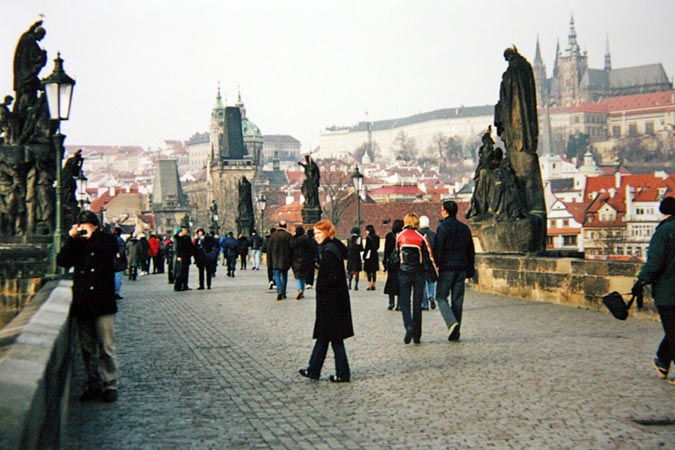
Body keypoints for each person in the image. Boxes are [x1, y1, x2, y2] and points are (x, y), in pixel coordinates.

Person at [57, 210, 120, 402]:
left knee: (106, 345)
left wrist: (93, 237)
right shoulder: (77, 244)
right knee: (87, 348)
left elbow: (109, 255)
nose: (84, 231)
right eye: (80, 227)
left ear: (94, 226)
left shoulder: (107, 240)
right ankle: (93, 383)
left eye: (86, 227)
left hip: (103, 302)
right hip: (83, 302)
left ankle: (110, 384)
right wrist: (71, 239)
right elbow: (62, 261)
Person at [298, 219, 353, 383]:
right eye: (314, 234)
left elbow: (329, 280)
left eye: (319, 233)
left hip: (331, 302)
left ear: (328, 233)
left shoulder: (329, 252)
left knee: (332, 338)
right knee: (328, 338)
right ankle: (315, 369)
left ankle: (340, 373)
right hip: (333, 301)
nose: (316, 237)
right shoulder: (331, 248)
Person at [632, 196, 675, 386]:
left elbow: (655, 263)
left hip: (668, 292)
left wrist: (641, 281)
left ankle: (662, 360)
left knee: (673, 331)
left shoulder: (663, 232)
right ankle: (662, 360)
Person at [433, 201, 475, 342]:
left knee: (441, 297)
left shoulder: (442, 228)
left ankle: (452, 323)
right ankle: (456, 332)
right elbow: (471, 250)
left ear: (445, 212)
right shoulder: (464, 228)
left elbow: (438, 249)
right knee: (458, 300)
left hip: (447, 268)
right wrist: (470, 268)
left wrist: (436, 266)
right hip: (462, 267)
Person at [396, 213, 437, 344]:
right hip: (418, 273)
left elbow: (396, 254)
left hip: (404, 272)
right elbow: (429, 257)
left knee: (404, 302)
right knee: (417, 304)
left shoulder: (400, 236)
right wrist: (434, 273)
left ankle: (408, 325)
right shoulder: (421, 237)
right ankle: (417, 335)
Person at [268, 221, 292, 300]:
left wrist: (269, 260)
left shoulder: (273, 236)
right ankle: (283, 292)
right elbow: (291, 248)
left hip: (275, 259)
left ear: (278, 226)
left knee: (276, 274)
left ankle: (279, 289)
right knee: (284, 275)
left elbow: (269, 249)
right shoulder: (288, 235)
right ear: (285, 226)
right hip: (285, 258)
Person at [383, 219, 403, 310]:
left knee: (391, 281)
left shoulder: (389, 236)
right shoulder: (403, 236)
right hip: (400, 262)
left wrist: (384, 262)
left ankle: (391, 303)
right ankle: (399, 304)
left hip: (391, 263)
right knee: (400, 283)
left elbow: (386, 250)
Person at [418, 216, 436, 310]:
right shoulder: (433, 234)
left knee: (422, 284)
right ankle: (432, 296)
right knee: (431, 280)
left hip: (421, 262)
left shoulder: (418, 234)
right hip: (432, 261)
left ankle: (424, 305)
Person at [291, 225, 313, 299]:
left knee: (297, 276)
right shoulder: (307, 240)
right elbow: (310, 250)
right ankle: (302, 291)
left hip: (295, 260)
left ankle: (299, 290)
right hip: (305, 260)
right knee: (303, 277)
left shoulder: (294, 240)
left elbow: (290, 250)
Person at [173, 226, 194, 291]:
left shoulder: (187, 238)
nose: (185, 231)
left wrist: (190, 254)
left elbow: (191, 247)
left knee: (186, 272)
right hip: (180, 257)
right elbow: (176, 248)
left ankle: (185, 285)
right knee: (180, 272)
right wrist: (178, 256)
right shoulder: (177, 239)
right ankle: (178, 286)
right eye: (184, 230)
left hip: (186, 256)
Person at [363, 224, 380, 291]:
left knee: (368, 271)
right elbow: (378, 247)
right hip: (375, 255)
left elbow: (367, 248)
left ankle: (369, 285)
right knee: (374, 271)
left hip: (369, 256)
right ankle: (374, 285)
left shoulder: (368, 237)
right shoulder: (377, 237)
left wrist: (364, 255)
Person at [112, 227, 127, 300]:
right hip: (118, 262)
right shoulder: (120, 240)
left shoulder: (108, 240)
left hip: (110, 261)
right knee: (118, 278)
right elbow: (122, 252)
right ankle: (116, 292)